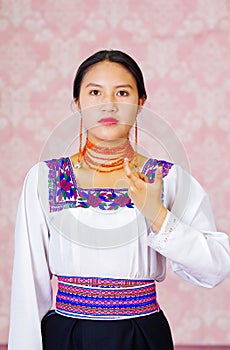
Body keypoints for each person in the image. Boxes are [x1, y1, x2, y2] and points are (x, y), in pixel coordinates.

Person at [8, 50, 230, 350]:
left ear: (140, 103)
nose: (108, 104)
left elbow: (215, 268)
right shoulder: (44, 178)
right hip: (67, 336)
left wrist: (157, 215)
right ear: (78, 103)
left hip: (143, 335)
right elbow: (28, 284)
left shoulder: (166, 179)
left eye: (122, 92)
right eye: (95, 92)